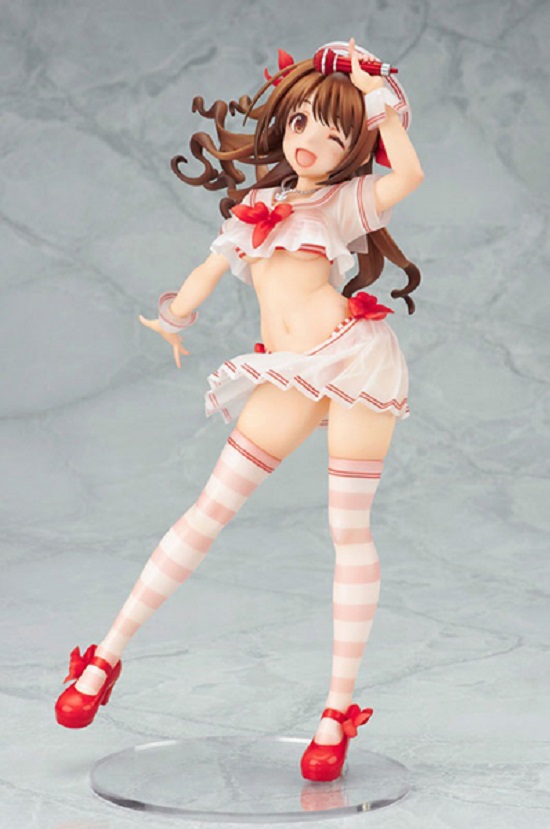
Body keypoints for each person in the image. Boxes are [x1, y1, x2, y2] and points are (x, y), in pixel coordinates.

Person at [55, 37, 424, 783]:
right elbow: (207, 269)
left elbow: (410, 174)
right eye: (302, 123)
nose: (311, 141)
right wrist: (174, 318)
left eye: (335, 134)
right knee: (207, 511)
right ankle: (104, 657)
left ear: (355, 147)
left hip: (355, 366)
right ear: (283, 122)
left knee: (346, 528)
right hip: (288, 374)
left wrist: (377, 96)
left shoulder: (342, 202)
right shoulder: (256, 210)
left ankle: (336, 712)